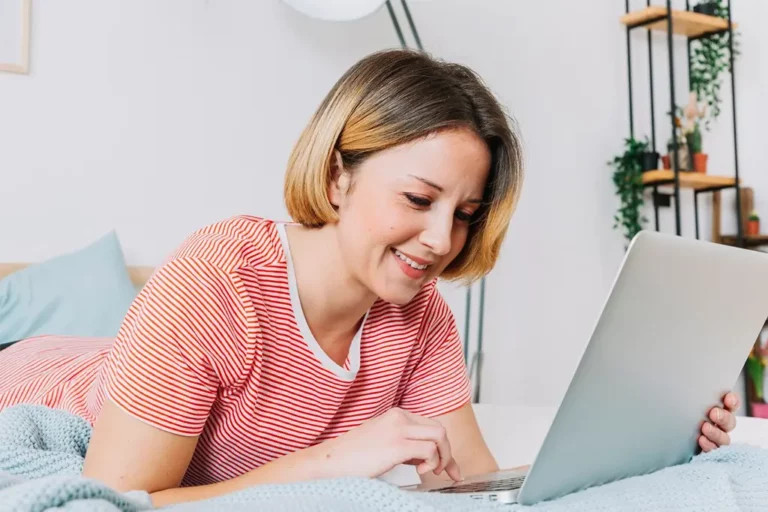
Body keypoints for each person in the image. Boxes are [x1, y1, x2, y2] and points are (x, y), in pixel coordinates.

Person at [0, 49, 740, 506]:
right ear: (336, 175)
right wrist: (329, 462)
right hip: (39, 379)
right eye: (418, 200)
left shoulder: (419, 318)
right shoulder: (216, 282)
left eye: (465, 213)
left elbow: (470, 487)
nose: (442, 240)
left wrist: (652, 444)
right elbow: (126, 500)